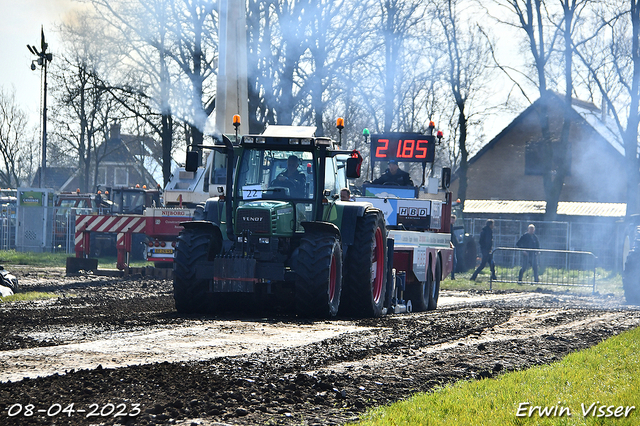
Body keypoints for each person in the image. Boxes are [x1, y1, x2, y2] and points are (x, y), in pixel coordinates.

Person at [450, 214, 459, 280]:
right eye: (452, 219)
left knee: (454, 261)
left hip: (453, 245)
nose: (453, 221)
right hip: (451, 246)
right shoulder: (449, 227)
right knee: (454, 261)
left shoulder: (452, 227)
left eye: (454, 219)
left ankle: (452, 275)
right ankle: (452, 276)